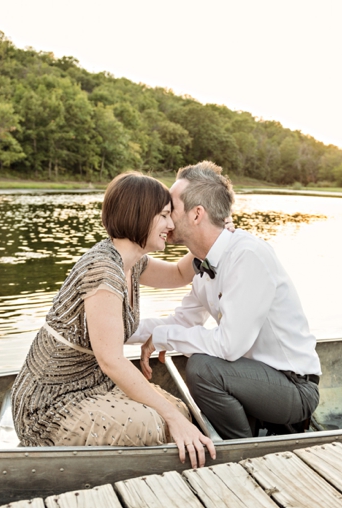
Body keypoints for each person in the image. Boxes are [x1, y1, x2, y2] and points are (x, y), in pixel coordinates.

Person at [12, 172, 216, 467]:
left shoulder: (133, 262)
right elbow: (111, 361)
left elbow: (180, 274)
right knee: (159, 424)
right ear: (140, 215)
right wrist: (170, 417)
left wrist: (211, 235)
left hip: (91, 386)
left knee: (179, 410)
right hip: (50, 405)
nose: (171, 225)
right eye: (163, 216)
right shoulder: (103, 270)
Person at [132, 161, 321, 442]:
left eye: (171, 209)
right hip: (254, 378)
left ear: (197, 214)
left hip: (293, 388)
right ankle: (250, 431)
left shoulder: (247, 256)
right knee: (193, 350)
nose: (166, 218)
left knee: (202, 367)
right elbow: (181, 322)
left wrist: (165, 337)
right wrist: (121, 331)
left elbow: (229, 346)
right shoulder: (205, 262)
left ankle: (243, 451)